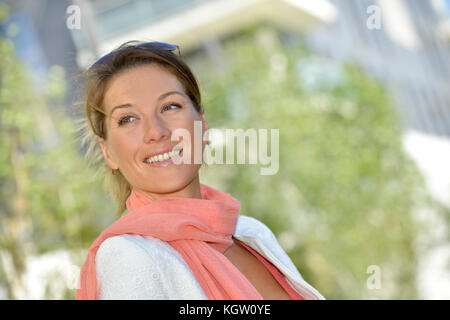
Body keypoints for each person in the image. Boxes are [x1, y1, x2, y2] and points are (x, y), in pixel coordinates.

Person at [75, 40, 324, 300]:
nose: (156, 132)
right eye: (128, 119)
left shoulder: (252, 233)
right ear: (108, 152)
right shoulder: (126, 256)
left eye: (170, 106)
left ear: (202, 124)